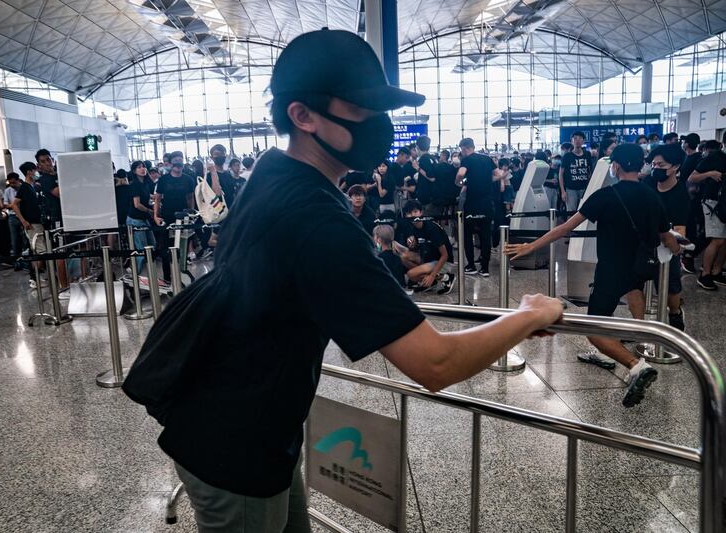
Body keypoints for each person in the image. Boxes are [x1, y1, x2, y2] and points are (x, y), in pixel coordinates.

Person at [153, 29, 564, 533]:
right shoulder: (319, 221)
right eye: (362, 110)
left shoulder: (272, 169)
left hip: (242, 419)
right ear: (302, 115)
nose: (380, 126)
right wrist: (529, 316)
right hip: (234, 444)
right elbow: (434, 363)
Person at [506, 143, 680, 407]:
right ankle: (639, 335)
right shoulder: (651, 195)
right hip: (640, 266)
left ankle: (636, 365)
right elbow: (666, 236)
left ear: (616, 166)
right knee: (634, 291)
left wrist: (530, 245)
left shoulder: (605, 196)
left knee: (592, 329)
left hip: (611, 269)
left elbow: (565, 228)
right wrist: (679, 247)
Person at [646, 144, 688, 329]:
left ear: (675, 167)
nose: (656, 169)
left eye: (661, 166)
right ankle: (638, 327)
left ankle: (675, 314)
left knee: (670, 286)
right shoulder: (647, 184)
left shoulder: (680, 195)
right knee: (633, 284)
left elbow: (680, 230)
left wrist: (675, 247)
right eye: (654, 165)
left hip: (667, 245)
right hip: (644, 241)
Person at [395, 200, 455, 293]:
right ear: (406, 215)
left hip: (442, 261)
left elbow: (445, 255)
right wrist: (412, 245)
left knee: (411, 274)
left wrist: (432, 275)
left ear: (421, 212)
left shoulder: (431, 228)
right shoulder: (413, 227)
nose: (413, 215)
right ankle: (431, 282)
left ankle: (445, 277)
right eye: (409, 213)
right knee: (403, 256)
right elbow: (418, 248)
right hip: (428, 257)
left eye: (415, 212)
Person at [689, 140, 726, 290]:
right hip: (713, 203)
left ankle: (717, 271)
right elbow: (692, 177)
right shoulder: (715, 157)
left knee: (724, 240)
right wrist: (710, 174)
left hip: (723, 202)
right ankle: (705, 274)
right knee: (717, 239)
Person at [457, 137, 496, 276]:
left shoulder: (467, 160)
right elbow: (498, 175)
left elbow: (461, 174)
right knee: (485, 236)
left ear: (465, 148)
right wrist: (486, 182)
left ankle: (471, 266)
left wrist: (460, 182)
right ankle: (485, 268)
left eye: (462, 149)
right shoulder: (487, 159)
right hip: (486, 203)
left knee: (467, 235)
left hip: (472, 203)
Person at [9, 173, 48, 289]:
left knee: (38, 250)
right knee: (40, 251)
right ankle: (34, 278)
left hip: (38, 222)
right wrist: (23, 221)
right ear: (29, 172)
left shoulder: (33, 187)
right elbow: (14, 204)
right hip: (32, 224)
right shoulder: (24, 187)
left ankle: (36, 277)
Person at [126, 161, 156, 284]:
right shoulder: (134, 185)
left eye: (143, 166)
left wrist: (156, 198)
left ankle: (145, 276)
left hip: (143, 219)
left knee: (152, 245)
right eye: (139, 167)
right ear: (134, 171)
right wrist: (150, 210)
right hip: (135, 220)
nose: (143, 169)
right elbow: (137, 204)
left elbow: (148, 196)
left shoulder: (145, 183)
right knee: (141, 250)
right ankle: (134, 275)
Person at [679, 133, 703, 274]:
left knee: (691, 227)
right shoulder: (688, 157)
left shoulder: (695, 158)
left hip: (692, 198)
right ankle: (685, 255)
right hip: (685, 197)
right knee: (688, 226)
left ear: (687, 144)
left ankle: (688, 256)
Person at [559, 131, 593, 212]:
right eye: (575, 138)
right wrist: (563, 191)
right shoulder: (567, 156)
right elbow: (561, 174)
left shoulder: (587, 154)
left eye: (580, 138)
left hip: (584, 188)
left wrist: (590, 187)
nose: (577, 140)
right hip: (571, 189)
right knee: (570, 212)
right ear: (572, 141)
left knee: (585, 212)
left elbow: (590, 172)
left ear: (583, 141)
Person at [372, 224, 406, 288]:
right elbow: (401, 281)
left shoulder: (379, 259)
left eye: (374, 236)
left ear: (379, 239)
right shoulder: (397, 257)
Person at [412, 135, 438, 215]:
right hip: (432, 196)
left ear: (417, 147)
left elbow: (432, 178)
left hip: (427, 198)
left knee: (427, 223)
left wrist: (417, 168)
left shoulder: (424, 159)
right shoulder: (432, 158)